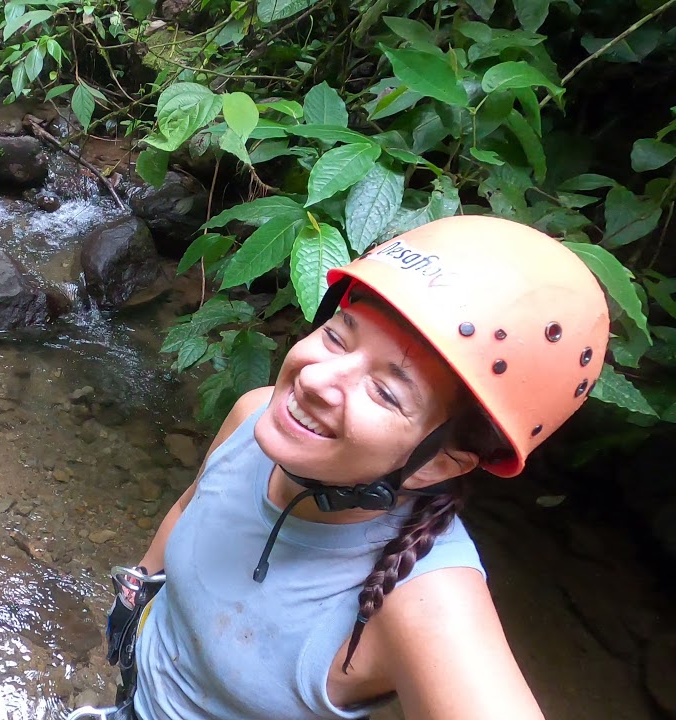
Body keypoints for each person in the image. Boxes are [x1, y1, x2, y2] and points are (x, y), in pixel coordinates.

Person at [108, 215, 610, 720]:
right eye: (337, 337)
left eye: (385, 392)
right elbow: (189, 507)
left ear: (439, 464)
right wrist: (134, 593)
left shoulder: (423, 601)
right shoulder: (254, 416)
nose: (314, 381)